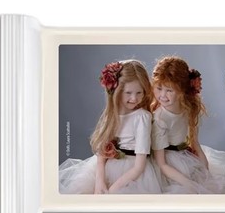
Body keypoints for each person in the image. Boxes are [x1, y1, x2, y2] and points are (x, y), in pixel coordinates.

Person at [59, 60, 161, 194]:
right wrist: (99, 181)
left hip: (133, 175)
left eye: (139, 92)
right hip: (107, 168)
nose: (134, 98)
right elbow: (101, 154)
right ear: (116, 91)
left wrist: (113, 189)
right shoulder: (112, 115)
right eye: (128, 93)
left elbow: (139, 166)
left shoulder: (142, 117)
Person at [151, 55, 225, 194]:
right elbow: (162, 164)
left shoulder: (188, 109)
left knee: (211, 187)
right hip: (167, 167)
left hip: (185, 157)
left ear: (182, 91)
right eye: (159, 88)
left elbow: (195, 143)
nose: (163, 95)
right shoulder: (159, 119)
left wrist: (206, 173)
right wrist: (189, 184)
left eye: (169, 90)